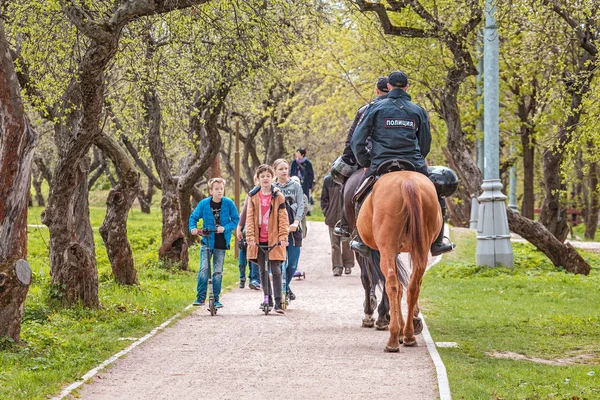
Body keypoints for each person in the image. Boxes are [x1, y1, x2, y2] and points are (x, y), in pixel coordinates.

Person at [350, 71, 454, 257]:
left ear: (388, 87)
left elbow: (357, 140)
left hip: (381, 163)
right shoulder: (417, 110)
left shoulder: (374, 108)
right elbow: (425, 143)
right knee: (437, 194)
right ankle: (438, 242)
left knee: (360, 194)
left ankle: (361, 239)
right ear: (407, 87)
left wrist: (366, 161)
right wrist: (418, 159)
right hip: (412, 162)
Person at [332, 77, 390, 238]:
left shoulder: (366, 109)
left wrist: (350, 158)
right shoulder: (403, 109)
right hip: (399, 157)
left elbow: (353, 139)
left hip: (370, 158)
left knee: (347, 184)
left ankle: (344, 224)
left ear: (376, 90)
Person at [189, 177, 240, 308]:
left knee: (217, 271)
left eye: (221, 189)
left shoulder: (229, 203)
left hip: (221, 242)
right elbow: (193, 217)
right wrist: (193, 228)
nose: (219, 191)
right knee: (204, 269)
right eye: (216, 189)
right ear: (211, 191)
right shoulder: (204, 204)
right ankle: (200, 297)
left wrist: (225, 228)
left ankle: (216, 299)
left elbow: (235, 219)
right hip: (207, 240)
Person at [246, 164, 290, 314]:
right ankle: (267, 299)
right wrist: (250, 236)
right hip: (259, 240)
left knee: (276, 270)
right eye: (262, 176)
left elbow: (283, 219)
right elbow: (249, 218)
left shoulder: (278, 196)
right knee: (263, 270)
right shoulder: (253, 196)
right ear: (258, 179)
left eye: (268, 176)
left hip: (274, 239)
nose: (265, 178)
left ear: (273, 178)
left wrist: (283, 236)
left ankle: (278, 302)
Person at [273, 159, 306, 301]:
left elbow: (301, 204)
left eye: (286, 168)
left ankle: (285, 287)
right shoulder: (272, 187)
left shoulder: (296, 186)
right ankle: (283, 291)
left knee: (292, 264)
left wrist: (296, 222)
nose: (284, 171)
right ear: (275, 171)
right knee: (280, 263)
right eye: (280, 169)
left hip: (294, 229)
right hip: (277, 231)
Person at [321, 174, 354, 276]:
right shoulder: (328, 180)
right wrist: (327, 212)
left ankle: (348, 265)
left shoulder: (349, 179)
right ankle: (337, 267)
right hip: (332, 218)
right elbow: (323, 199)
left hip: (346, 217)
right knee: (334, 244)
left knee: (346, 241)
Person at [236, 175, 261, 290]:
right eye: (258, 179)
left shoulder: (272, 194)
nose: (260, 182)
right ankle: (243, 278)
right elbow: (244, 212)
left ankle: (255, 279)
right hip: (248, 231)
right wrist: (239, 227)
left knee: (256, 256)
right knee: (244, 259)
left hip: (261, 232)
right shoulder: (251, 195)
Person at [290, 147, 314, 215]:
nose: (296, 154)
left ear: (302, 154)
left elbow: (311, 174)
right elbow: (291, 172)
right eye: (296, 152)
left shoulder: (307, 163)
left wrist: (310, 184)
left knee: (305, 196)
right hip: (295, 182)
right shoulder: (294, 162)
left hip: (305, 183)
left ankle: (305, 210)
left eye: (298, 153)